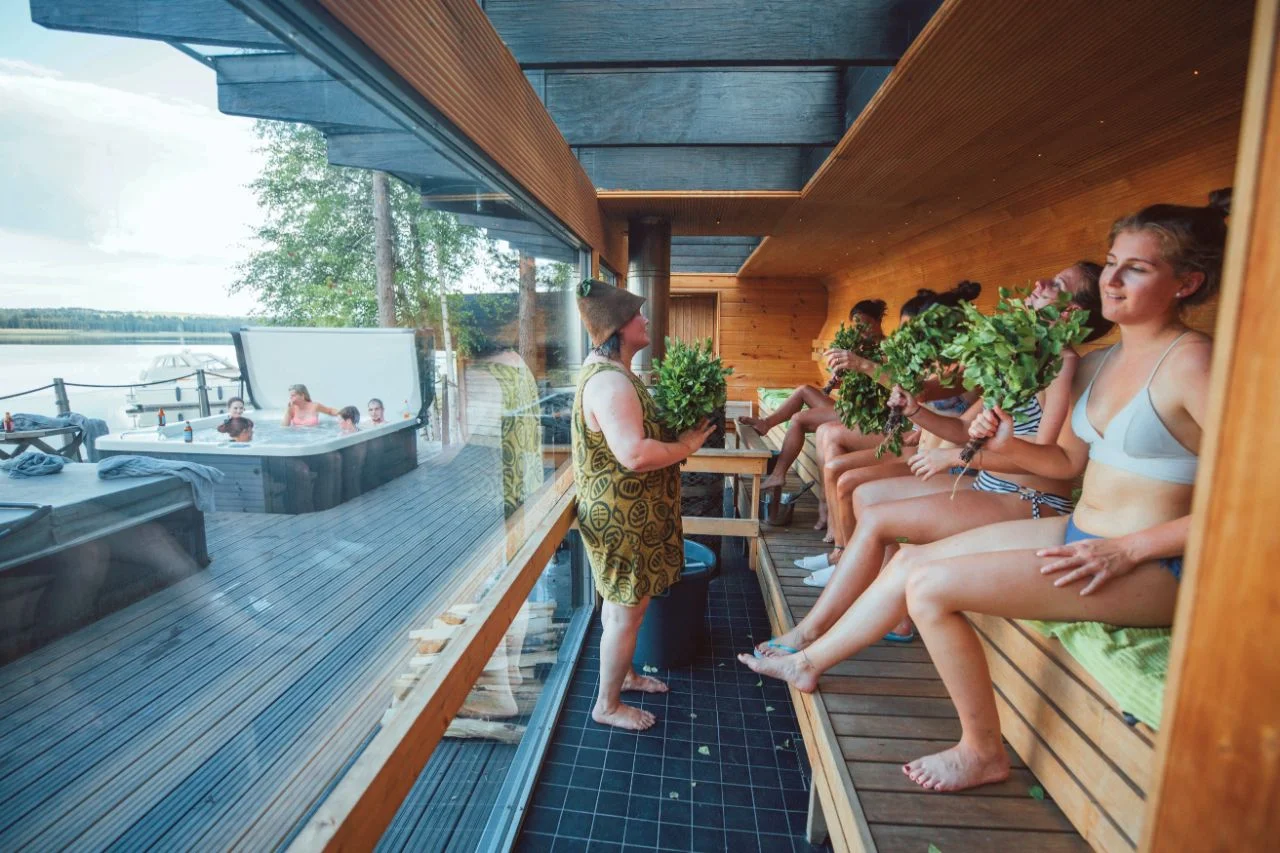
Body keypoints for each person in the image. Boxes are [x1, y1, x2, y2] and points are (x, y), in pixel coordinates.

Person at [740, 196, 1225, 793]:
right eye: (1111, 263)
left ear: (1187, 283)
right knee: (911, 562)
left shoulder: (1194, 363)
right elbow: (1065, 461)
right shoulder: (1102, 362)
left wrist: (1130, 549)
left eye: (1137, 268)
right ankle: (807, 660)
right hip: (1084, 531)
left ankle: (982, 750)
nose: (1113, 280)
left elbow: (1256, 503)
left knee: (932, 588)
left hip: (1153, 562)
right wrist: (994, 443)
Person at [773, 264, 1111, 663]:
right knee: (866, 494)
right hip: (990, 484)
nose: (1038, 283)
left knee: (879, 517)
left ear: (1070, 313)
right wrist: (915, 410)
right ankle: (885, 610)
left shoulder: (1061, 364)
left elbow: (1045, 458)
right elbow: (963, 428)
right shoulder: (1023, 356)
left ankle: (810, 632)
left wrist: (954, 456)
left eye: (1055, 285)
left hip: (1028, 498)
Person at [573, 279, 715, 731]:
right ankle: (607, 705)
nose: (646, 319)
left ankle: (627, 675)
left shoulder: (613, 372)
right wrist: (687, 445)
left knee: (627, 607)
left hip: (629, 516)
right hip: (622, 520)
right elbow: (633, 455)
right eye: (638, 314)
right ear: (618, 328)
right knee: (624, 611)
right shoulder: (610, 383)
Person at [808, 283, 983, 554]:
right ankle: (841, 553)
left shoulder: (969, 367)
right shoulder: (933, 362)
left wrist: (862, 364)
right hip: (923, 450)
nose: (914, 339)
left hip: (946, 466)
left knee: (862, 492)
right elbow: (921, 398)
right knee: (843, 477)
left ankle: (848, 558)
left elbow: (921, 393)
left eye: (918, 332)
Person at [735, 299, 889, 522]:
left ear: (877, 321)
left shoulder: (885, 350)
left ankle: (778, 474)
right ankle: (766, 424)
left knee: (799, 419)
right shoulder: (861, 349)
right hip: (850, 407)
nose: (860, 331)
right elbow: (860, 385)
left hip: (867, 416)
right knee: (804, 390)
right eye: (856, 326)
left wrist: (861, 366)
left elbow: (886, 384)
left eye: (864, 325)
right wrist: (838, 381)